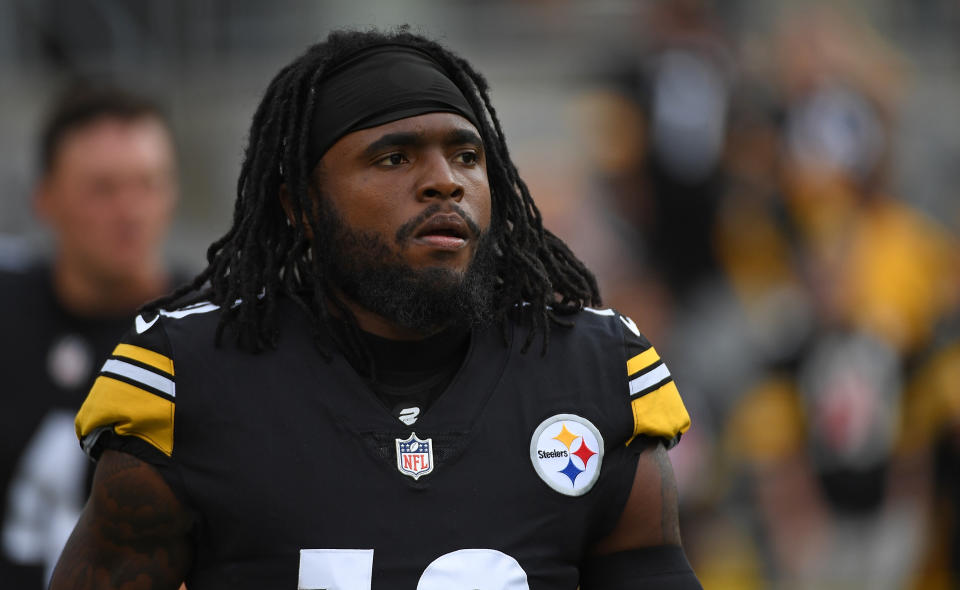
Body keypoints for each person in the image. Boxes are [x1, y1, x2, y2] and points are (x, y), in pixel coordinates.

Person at [51, 28, 699, 589]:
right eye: (394, 157)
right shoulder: (192, 376)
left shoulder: (592, 371)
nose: (445, 180)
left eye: (468, 156)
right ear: (299, 206)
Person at [0, 84, 180, 587]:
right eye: (102, 188)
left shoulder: (211, 333)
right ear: (46, 198)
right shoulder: (10, 314)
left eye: (148, 183)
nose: (130, 211)